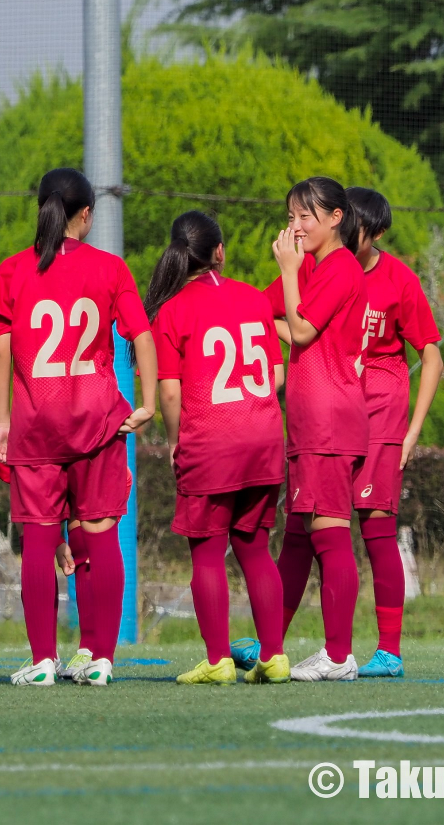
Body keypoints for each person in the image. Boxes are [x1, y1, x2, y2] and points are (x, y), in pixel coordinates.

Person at [0, 168, 158, 686]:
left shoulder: (13, 270)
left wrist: (3, 422)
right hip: (98, 421)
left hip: (37, 426)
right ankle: (101, 659)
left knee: (38, 543)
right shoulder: (109, 268)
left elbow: (1, 350)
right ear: (86, 215)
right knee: (102, 537)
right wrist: (145, 402)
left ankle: (42, 662)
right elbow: (141, 336)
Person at [146, 211, 291, 685]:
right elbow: (276, 376)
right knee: (255, 548)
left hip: (211, 442)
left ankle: (217, 660)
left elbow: (170, 391)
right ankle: (274, 656)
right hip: (265, 437)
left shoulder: (172, 311)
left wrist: (174, 440)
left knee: (207, 554)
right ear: (220, 252)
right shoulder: (252, 298)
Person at [237, 177, 369, 682]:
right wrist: (211, 304)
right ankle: (272, 647)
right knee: (296, 538)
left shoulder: (339, 268)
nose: (294, 228)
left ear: (336, 218)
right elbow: (263, 309)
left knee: (331, 534)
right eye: (291, 217)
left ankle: (339, 656)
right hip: (309, 421)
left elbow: (302, 330)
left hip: (331, 419)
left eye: (304, 217)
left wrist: (288, 272)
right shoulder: (310, 265)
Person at [345, 187, 442, 678]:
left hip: (380, 418)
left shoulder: (399, 280)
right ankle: (280, 643)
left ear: (376, 233)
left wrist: (412, 432)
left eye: (353, 225)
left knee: (376, 531)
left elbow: (432, 356)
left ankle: (389, 651)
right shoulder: (321, 272)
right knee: (306, 530)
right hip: (328, 413)